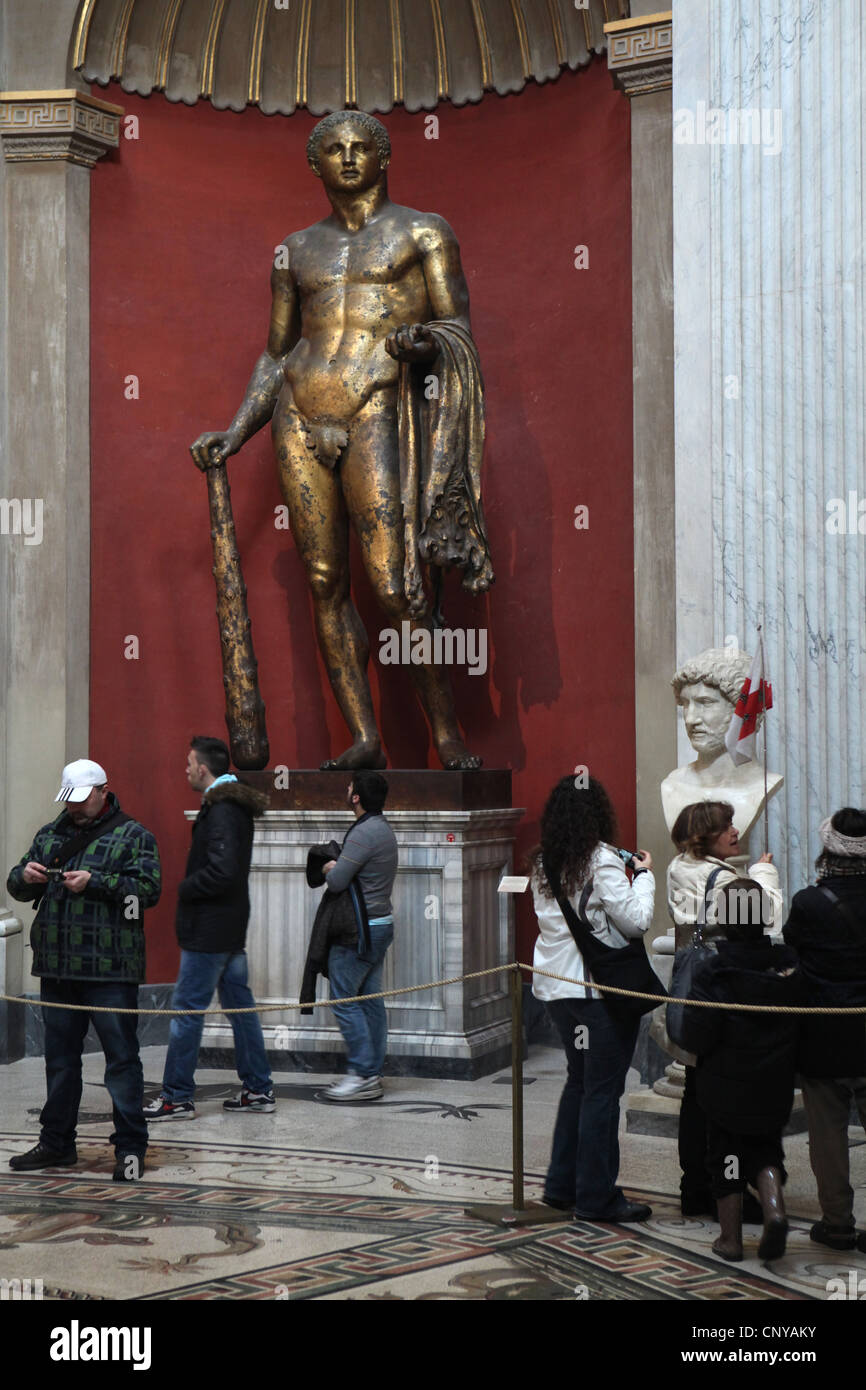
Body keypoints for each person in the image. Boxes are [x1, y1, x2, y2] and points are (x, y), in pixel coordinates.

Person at [190, 109, 493, 772]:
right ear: (316, 163)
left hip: (378, 401)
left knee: (396, 586)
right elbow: (275, 354)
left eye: (363, 147)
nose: (350, 157)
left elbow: (458, 328)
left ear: (384, 159)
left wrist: (425, 343)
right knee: (324, 580)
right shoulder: (295, 250)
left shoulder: (423, 232)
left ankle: (445, 736)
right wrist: (236, 431)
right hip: (299, 411)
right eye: (336, 149)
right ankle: (364, 736)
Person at [6, 759, 161, 1181]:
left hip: (110, 972)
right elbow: (14, 884)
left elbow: (145, 896)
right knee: (59, 1061)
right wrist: (26, 876)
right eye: (69, 800)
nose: (74, 808)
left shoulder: (134, 836)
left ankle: (130, 1150)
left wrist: (97, 883)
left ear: (102, 791)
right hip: (58, 969)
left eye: (81, 800)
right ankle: (56, 1143)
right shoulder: (50, 835)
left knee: (122, 1062)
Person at [530, 775, 655, 1222]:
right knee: (602, 1092)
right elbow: (636, 921)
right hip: (593, 995)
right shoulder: (601, 860)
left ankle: (562, 1187)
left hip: (555, 991)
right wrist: (643, 876)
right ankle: (596, 1197)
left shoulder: (544, 861)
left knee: (579, 1084)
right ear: (598, 813)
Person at [143, 737, 273, 1120]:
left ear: (203, 768)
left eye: (188, 763)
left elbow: (223, 871)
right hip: (227, 928)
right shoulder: (230, 805)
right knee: (240, 1010)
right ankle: (258, 1089)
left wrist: (185, 887)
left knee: (187, 1012)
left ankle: (177, 1097)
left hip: (210, 931)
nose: (185, 770)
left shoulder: (222, 810)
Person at [666, 799, 783, 1218]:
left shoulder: (677, 867)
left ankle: (693, 1186)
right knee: (719, 1099)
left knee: (694, 1094)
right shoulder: (723, 880)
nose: (736, 832)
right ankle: (723, 1191)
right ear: (705, 835)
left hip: (695, 990)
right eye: (726, 827)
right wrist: (763, 874)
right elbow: (766, 918)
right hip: (726, 993)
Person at [681, 879, 805, 1262]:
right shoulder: (789, 963)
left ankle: (731, 1240)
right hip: (774, 1080)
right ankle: (774, 1211)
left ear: (724, 919)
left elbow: (697, 1037)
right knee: (766, 1149)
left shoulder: (714, 971)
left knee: (727, 1155)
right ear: (764, 916)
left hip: (724, 1085)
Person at [782, 807, 866, 1254]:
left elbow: (793, 949)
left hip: (825, 1033)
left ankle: (837, 1223)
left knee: (828, 1136)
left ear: (828, 850)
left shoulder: (809, 902)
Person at [319, 770, 398, 1101]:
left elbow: (337, 882)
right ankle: (372, 1070)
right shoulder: (382, 829)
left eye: (350, 785)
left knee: (344, 999)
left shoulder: (364, 833)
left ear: (356, 798)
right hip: (380, 924)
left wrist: (328, 867)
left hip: (360, 930)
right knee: (369, 998)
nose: (347, 787)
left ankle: (363, 1073)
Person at [661, 648, 783, 839]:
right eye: (685, 703)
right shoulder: (672, 785)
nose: (690, 719)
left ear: (743, 712)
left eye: (705, 702)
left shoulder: (763, 787)